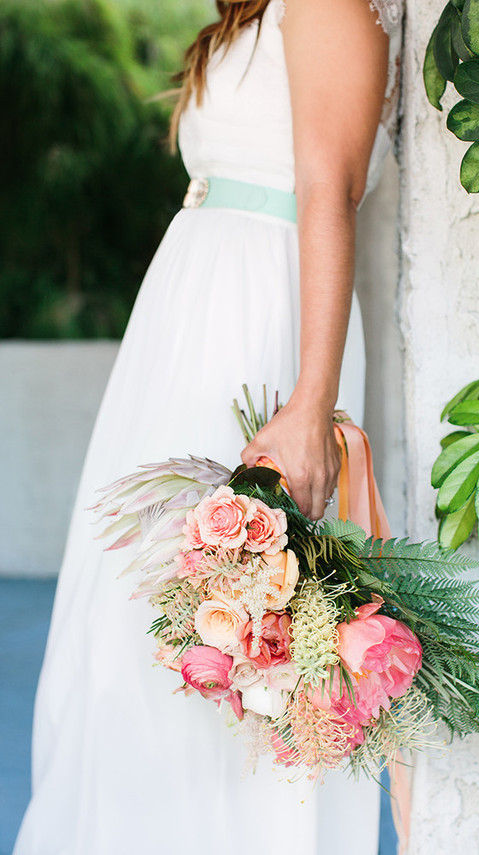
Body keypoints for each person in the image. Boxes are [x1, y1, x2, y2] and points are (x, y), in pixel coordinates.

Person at [14, 0, 401, 852]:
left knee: (243, 632)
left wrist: (309, 402)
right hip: (185, 323)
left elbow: (327, 189)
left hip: (261, 322)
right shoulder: (246, 17)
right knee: (131, 628)